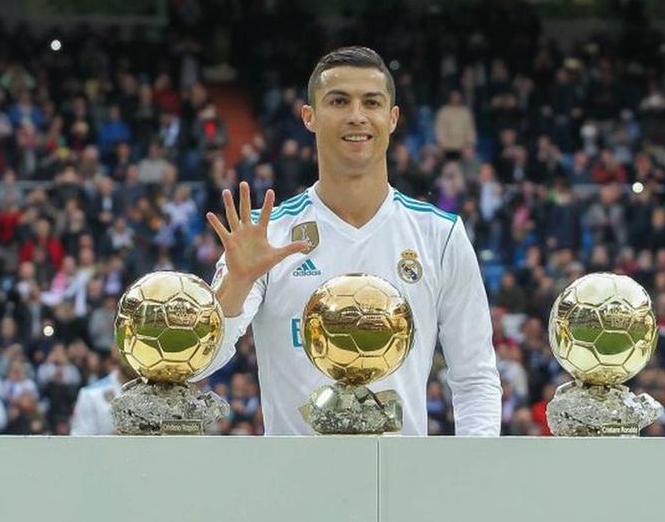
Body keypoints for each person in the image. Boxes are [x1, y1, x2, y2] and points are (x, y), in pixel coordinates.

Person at [201, 46, 501, 435]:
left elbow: (475, 379)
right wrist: (236, 283)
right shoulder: (266, 233)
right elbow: (206, 362)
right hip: (294, 488)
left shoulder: (439, 234)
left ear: (392, 118)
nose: (357, 116)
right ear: (309, 116)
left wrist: (471, 481)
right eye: (339, 101)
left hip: (401, 488)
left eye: (371, 102)